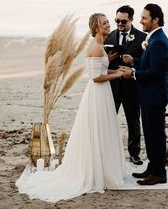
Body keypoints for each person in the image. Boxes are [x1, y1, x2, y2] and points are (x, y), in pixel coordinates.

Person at [16, 13, 126, 203]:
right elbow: (95, 77)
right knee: (98, 130)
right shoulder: (96, 47)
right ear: (97, 27)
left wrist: (115, 70)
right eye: (105, 23)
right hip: (98, 93)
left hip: (102, 92)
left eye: (109, 22)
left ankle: (105, 170)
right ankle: (96, 172)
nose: (109, 25)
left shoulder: (99, 47)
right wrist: (117, 75)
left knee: (104, 130)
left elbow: (100, 71)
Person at [123, 3, 168, 185]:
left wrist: (132, 73)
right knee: (150, 134)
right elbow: (148, 63)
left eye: (144, 18)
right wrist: (133, 62)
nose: (141, 21)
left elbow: (155, 73)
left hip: (155, 96)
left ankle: (159, 174)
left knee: (156, 135)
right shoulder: (153, 38)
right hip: (149, 95)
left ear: (155, 19)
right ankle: (153, 167)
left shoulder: (159, 41)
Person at [105, 5, 146, 165]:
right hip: (112, 86)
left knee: (133, 121)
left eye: (123, 21)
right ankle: (108, 153)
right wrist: (107, 60)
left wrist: (134, 61)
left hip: (132, 87)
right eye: (117, 21)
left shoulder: (142, 37)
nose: (119, 24)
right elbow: (101, 62)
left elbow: (147, 63)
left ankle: (134, 154)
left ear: (131, 20)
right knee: (108, 120)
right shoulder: (109, 36)